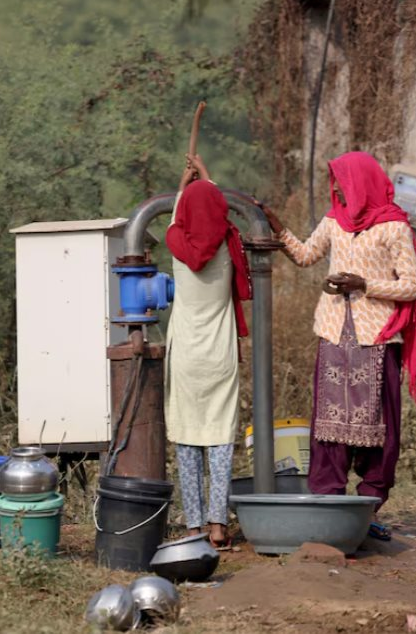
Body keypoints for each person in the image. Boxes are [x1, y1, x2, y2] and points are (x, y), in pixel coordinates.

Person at [258, 151, 416, 541]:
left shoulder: (394, 227)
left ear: (362, 183)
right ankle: (328, 507)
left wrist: (365, 285)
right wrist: (279, 228)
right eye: (336, 184)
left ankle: (366, 508)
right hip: (334, 335)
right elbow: (305, 256)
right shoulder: (335, 220)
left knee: (378, 429)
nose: (339, 191)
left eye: (343, 183)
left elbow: (412, 285)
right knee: (329, 426)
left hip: (376, 338)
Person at [164, 153, 251, 549]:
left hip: (186, 356)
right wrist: (208, 177)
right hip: (220, 356)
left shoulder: (176, 245)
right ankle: (218, 526)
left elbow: (177, 219)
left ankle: (193, 527)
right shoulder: (228, 247)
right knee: (219, 440)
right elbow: (217, 213)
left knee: (186, 440)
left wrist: (185, 185)